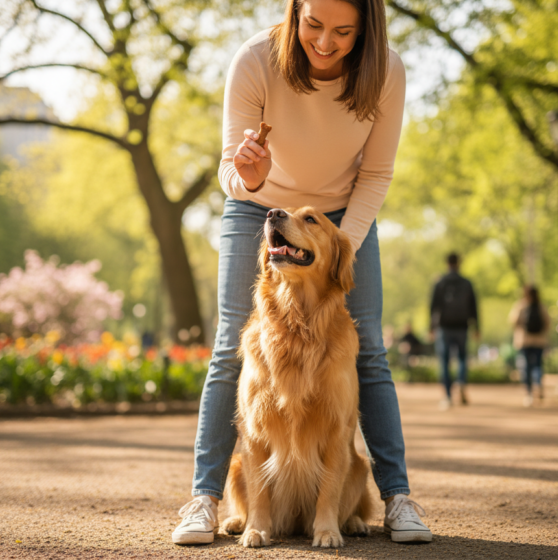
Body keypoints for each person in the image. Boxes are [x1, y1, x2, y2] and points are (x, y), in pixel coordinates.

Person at [171, 0, 432, 546]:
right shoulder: (255, 60)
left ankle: (398, 497)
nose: (325, 42)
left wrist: (337, 250)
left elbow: (378, 173)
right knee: (229, 342)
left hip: (340, 216)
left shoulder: (385, 71)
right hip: (260, 209)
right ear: (294, 13)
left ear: (366, 29)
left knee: (368, 349)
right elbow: (229, 170)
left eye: (343, 31)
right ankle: (204, 497)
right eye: (313, 25)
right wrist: (248, 175)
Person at [429, 253, 479, 409]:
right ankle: (461, 382)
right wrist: (477, 327)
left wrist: (431, 327)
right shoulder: (467, 283)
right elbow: (474, 306)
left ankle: (448, 396)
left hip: (445, 326)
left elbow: (433, 306)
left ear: (447, 263)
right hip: (463, 326)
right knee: (462, 357)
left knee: (444, 360)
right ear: (459, 263)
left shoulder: (441, 282)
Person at [508, 285, 550, 407]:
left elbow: (513, 321)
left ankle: (529, 393)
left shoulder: (520, 305)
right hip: (539, 341)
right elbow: (548, 323)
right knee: (537, 365)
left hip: (524, 341)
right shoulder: (541, 306)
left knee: (526, 367)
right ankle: (538, 385)